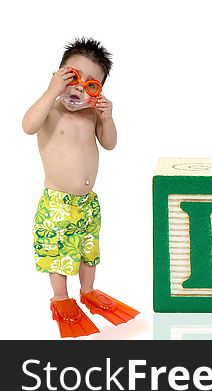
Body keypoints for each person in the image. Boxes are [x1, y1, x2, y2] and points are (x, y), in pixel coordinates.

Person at [22, 37, 138, 338]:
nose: (78, 88)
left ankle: (88, 291)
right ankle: (61, 297)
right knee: (57, 253)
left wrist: (106, 117)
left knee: (89, 251)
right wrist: (51, 91)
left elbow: (110, 143)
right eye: (72, 78)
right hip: (57, 205)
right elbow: (28, 125)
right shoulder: (50, 110)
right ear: (59, 76)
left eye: (91, 84)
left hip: (87, 204)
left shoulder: (90, 115)